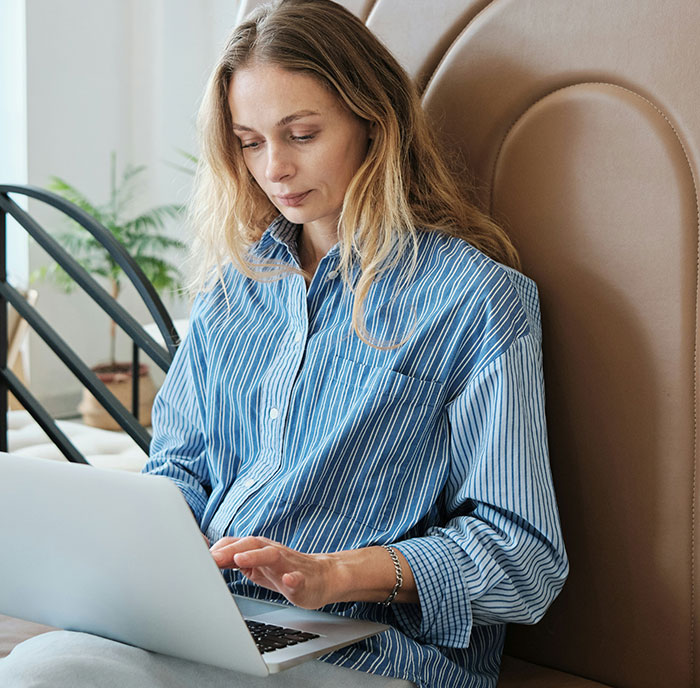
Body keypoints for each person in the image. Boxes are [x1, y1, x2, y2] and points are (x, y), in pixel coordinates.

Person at [0, 1, 568, 686]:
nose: (275, 167)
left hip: (372, 653)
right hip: (215, 624)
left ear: (373, 122)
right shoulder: (233, 289)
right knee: (41, 668)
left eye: (300, 134)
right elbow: (178, 474)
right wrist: (143, 560)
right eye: (250, 141)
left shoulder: (476, 299)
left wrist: (332, 575)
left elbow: (522, 560)